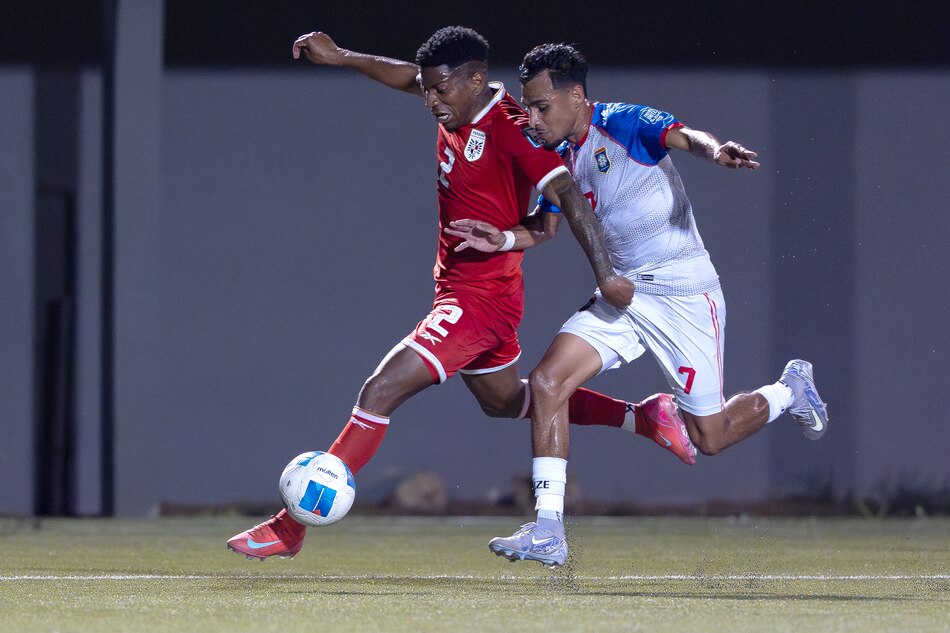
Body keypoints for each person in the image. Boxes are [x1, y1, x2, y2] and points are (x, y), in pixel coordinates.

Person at [227, 28, 698, 561]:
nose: (430, 101)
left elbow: (565, 194)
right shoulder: (457, 101)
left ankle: (290, 527)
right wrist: (341, 57)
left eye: (440, 90)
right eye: (427, 90)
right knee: (506, 402)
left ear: (476, 80)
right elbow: (407, 75)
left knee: (380, 391)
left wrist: (606, 274)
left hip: (479, 300)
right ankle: (647, 416)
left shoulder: (512, 130)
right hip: (463, 290)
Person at [445, 43, 829, 567]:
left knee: (710, 438)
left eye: (541, 107)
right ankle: (549, 529)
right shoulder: (555, 156)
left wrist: (714, 150)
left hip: (685, 295)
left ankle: (790, 390)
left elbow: (683, 135)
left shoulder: (621, 121)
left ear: (576, 96)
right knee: (547, 382)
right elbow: (546, 226)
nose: (531, 119)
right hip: (624, 293)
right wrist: (503, 240)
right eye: (528, 108)